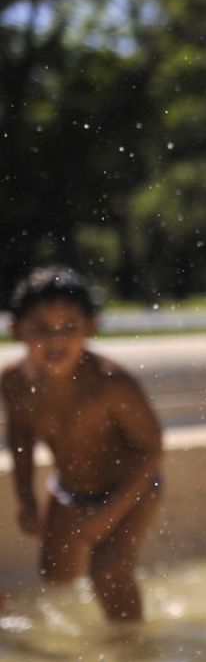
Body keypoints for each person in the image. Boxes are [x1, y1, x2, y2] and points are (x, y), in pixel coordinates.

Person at [3, 267, 163, 623]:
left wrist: (110, 511)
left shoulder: (110, 384)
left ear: (91, 326)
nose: (55, 340)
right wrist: (26, 499)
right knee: (54, 577)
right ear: (15, 330)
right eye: (41, 329)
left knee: (108, 571)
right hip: (70, 491)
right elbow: (20, 439)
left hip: (131, 488)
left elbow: (151, 449)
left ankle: (132, 647)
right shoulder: (14, 384)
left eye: (68, 327)